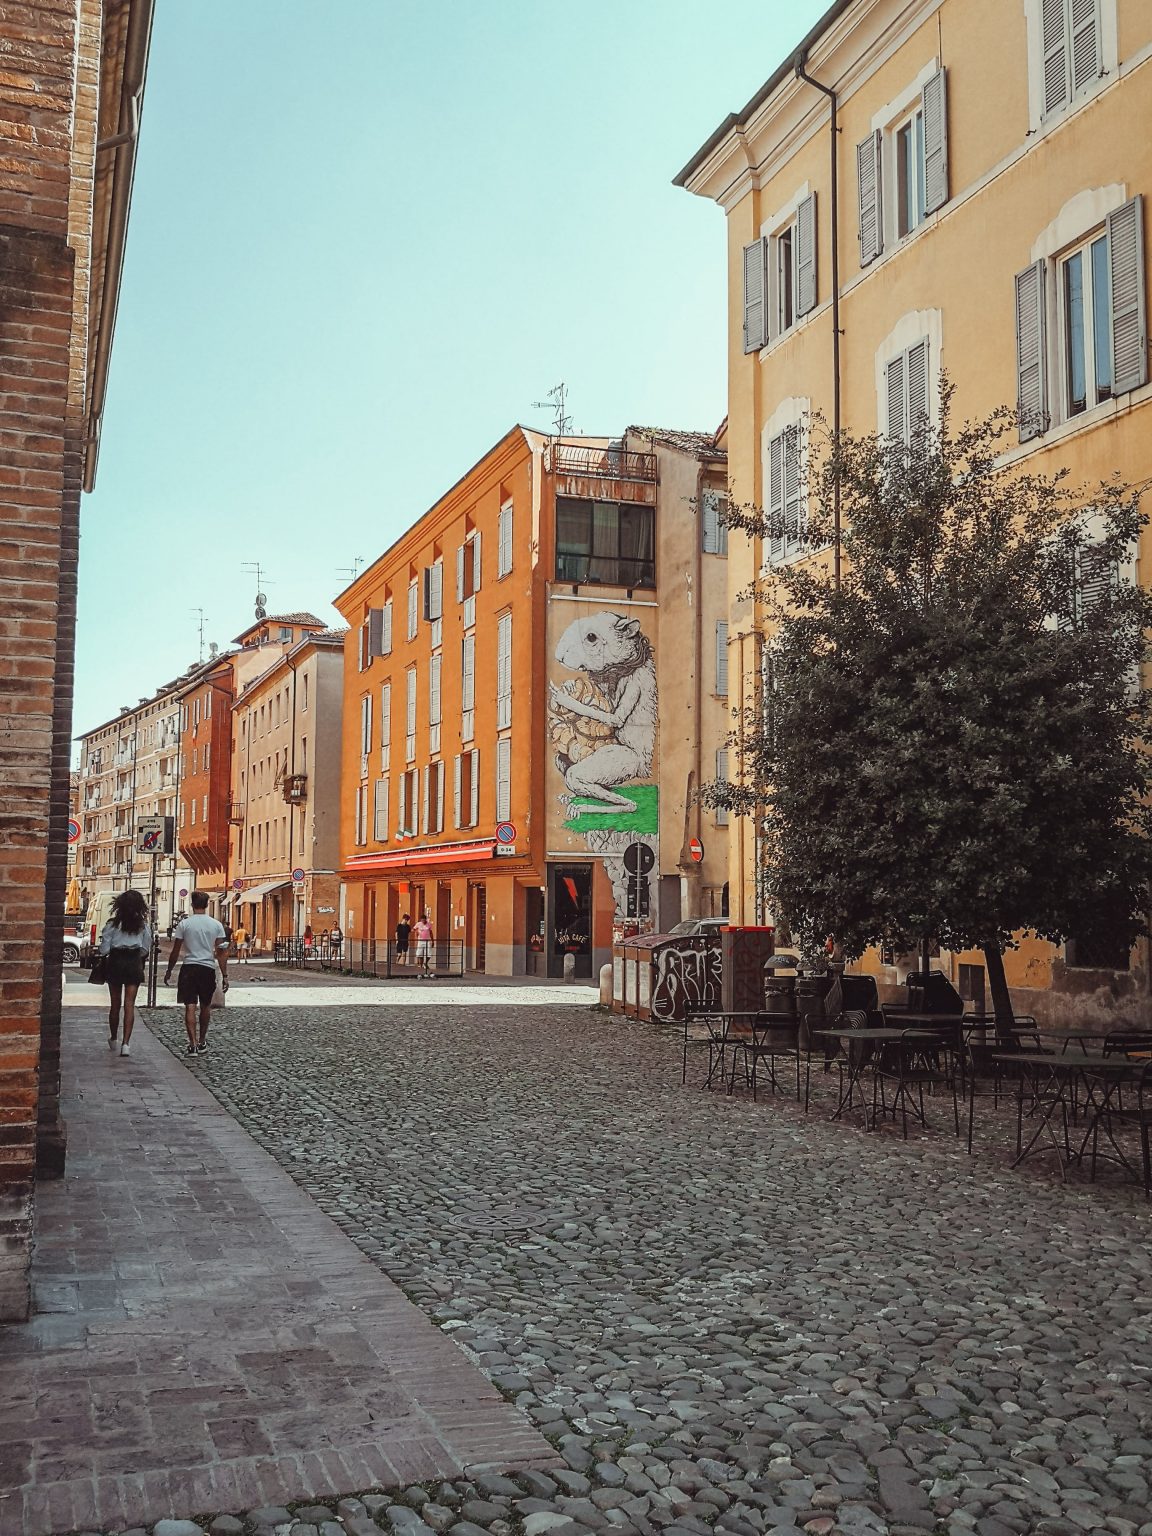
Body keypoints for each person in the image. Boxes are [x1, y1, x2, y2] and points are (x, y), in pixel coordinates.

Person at [164, 890, 229, 1057]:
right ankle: (202, 1041)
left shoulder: (184, 924)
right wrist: (225, 975)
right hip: (207, 968)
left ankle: (192, 1045)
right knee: (205, 1006)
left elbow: (176, 950)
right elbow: (221, 952)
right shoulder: (216, 925)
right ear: (207, 905)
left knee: (190, 1007)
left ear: (192, 905)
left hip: (189, 967)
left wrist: (169, 970)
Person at [99, 889, 151, 1057]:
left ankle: (114, 1037)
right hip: (133, 962)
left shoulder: (112, 924)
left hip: (116, 961)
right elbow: (145, 948)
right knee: (130, 1005)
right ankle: (126, 1044)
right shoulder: (142, 926)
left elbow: (104, 949)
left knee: (115, 1004)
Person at [413, 912, 434, 977]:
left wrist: (432, 941)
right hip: (420, 940)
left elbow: (431, 932)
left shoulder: (429, 924)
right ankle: (421, 964)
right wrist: (417, 932)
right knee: (419, 953)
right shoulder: (418, 924)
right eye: (422, 920)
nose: (423, 921)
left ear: (426, 919)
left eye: (424, 920)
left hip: (427, 940)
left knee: (429, 953)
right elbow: (414, 929)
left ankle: (426, 962)